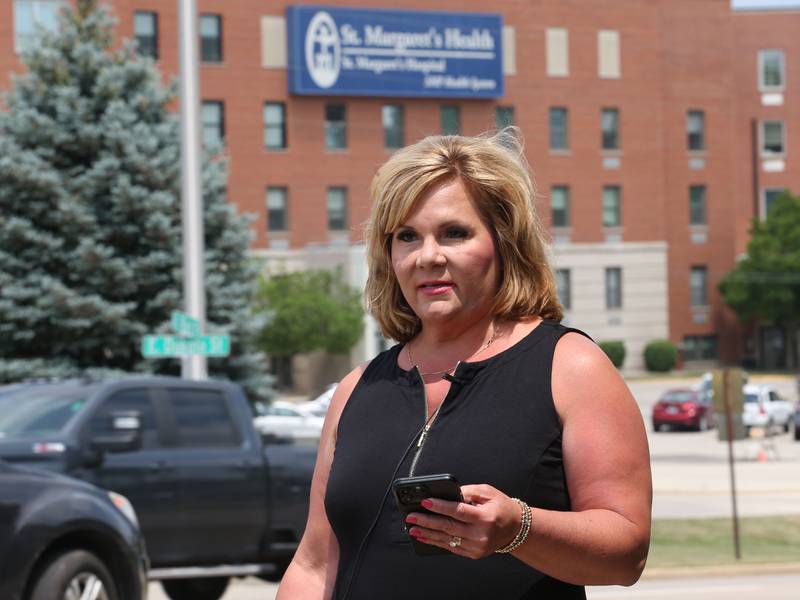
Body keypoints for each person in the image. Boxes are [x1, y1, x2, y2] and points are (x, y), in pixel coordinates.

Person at [276, 129, 652, 600]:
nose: (428, 256)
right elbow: (314, 565)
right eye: (407, 237)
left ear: (503, 241)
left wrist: (519, 528)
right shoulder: (358, 387)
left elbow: (627, 552)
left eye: (454, 233)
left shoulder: (569, 367)